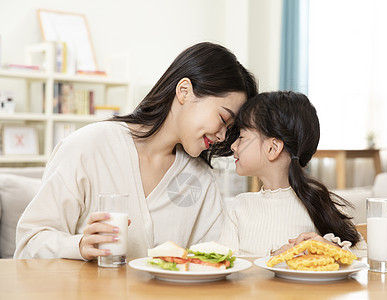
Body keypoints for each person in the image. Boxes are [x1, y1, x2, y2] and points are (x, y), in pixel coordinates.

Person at [14, 42, 258, 260]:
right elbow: (28, 245)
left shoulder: (199, 179)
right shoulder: (89, 147)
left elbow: (217, 261)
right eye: (223, 118)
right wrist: (78, 246)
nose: (223, 136)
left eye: (230, 128)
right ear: (184, 91)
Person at [219, 91, 365, 257]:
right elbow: (226, 267)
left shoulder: (316, 203)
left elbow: (362, 254)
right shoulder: (238, 208)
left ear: (273, 148)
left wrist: (330, 249)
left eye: (242, 136)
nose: (233, 146)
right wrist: (273, 258)